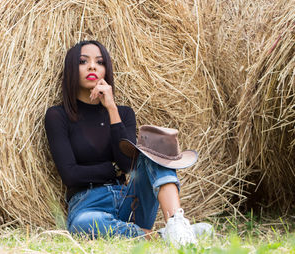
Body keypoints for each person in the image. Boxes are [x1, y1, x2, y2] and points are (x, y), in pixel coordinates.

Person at [45, 40, 209, 246]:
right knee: (82, 224)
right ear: (71, 68)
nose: (92, 66)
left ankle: (176, 223)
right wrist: (112, 170)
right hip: (89, 203)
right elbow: (70, 174)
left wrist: (112, 108)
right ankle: (160, 237)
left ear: (106, 69)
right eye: (83, 61)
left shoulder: (124, 113)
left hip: (130, 199)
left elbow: (128, 164)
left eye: (100, 62)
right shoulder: (58, 116)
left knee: (153, 151)